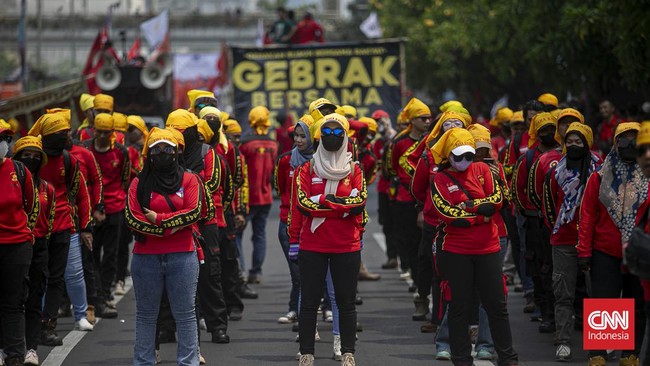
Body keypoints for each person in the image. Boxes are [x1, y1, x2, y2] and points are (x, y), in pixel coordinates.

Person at [429, 127, 518, 366]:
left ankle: (508, 358)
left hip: (488, 249)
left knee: (497, 306)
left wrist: (468, 207)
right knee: (458, 307)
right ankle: (461, 360)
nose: (465, 161)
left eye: (469, 155)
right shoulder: (439, 179)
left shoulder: (484, 169)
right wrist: (480, 214)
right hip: (456, 251)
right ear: (448, 155)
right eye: (459, 156)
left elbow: (497, 200)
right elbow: (449, 215)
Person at [289, 113, 366, 366]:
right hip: (313, 245)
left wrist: (320, 202)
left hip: (347, 245)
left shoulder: (355, 169)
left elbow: (359, 203)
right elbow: (302, 205)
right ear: (319, 137)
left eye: (337, 133)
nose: (332, 137)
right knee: (309, 302)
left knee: (346, 303)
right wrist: (337, 205)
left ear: (345, 136)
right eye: (327, 132)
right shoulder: (306, 169)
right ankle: (307, 353)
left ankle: (347, 352)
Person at [124, 127, 204, 366]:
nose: (162, 153)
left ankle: (188, 362)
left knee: (186, 315)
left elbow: (194, 212)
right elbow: (133, 219)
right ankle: (144, 361)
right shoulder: (138, 183)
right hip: (145, 258)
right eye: (156, 149)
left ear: (176, 152)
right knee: (146, 315)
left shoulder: (190, 179)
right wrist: (172, 227)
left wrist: (159, 221)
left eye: (167, 149)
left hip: (183, 256)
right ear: (148, 153)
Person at [577, 122, 648, 366]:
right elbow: (587, 214)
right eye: (624, 139)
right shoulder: (599, 176)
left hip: (639, 252)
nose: (629, 144)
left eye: (634, 139)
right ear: (615, 143)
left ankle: (631, 353)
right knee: (604, 301)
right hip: (605, 250)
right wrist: (584, 251)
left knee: (636, 301)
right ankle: (598, 353)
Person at [28, 113, 93, 347]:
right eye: (65, 133)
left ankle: (49, 325)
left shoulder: (70, 160)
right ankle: (30, 325)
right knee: (37, 279)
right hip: (35, 231)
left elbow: (81, 193)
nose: (69, 136)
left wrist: (85, 227)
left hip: (64, 227)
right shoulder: (31, 160)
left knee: (59, 278)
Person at [542, 123, 600, 361]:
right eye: (570, 141)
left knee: (600, 293)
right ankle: (563, 341)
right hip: (564, 240)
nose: (574, 145)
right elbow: (547, 206)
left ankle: (605, 344)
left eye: (579, 141)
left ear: (588, 143)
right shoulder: (555, 171)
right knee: (563, 293)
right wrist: (557, 227)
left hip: (597, 242)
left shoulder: (602, 171)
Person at [12, 135, 59, 366]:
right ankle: (8, 348)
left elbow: (49, 222)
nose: (30, 160)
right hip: (12, 247)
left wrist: (39, 244)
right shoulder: (10, 185)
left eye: (34, 157)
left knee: (33, 301)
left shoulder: (48, 189)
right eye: (25, 156)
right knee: (11, 301)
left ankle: (31, 348)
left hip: (38, 247)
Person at [82, 113, 130, 318]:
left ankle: (105, 294)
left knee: (110, 254)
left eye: (106, 132)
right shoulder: (86, 150)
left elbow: (124, 178)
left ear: (113, 132)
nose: (102, 135)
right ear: (93, 130)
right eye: (98, 131)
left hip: (115, 207)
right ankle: (93, 297)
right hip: (91, 210)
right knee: (91, 255)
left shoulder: (120, 152)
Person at [0, 122, 38, 366]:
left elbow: (31, 205)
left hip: (17, 245)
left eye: (5, 138)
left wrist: (26, 233)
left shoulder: (20, 170)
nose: (2, 143)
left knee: (14, 302)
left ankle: (15, 354)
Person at [387, 97, 432, 290]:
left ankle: (427, 280)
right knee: (410, 241)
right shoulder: (399, 142)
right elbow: (391, 168)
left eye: (429, 118)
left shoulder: (432, 140)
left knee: (428, 242)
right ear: (412, 120)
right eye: (423, 118)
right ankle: (416, 279)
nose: (428, 122)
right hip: (405, 199)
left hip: (428, 199)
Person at [275, 114, 314, 324]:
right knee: (297, 273)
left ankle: (321, 309)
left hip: (313, 225)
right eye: (296, 136)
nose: (298, 141)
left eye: (303, 136)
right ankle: (296, 310)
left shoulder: (321, 161)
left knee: (315, 273)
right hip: (287, 224)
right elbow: (280, 187)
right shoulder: (285, 160)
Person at [236, 106, 278, 284]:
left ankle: (241, 272)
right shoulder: (273, 145)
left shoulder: (245, 145)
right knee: (259, 235)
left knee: (237, 234)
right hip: (266, 196)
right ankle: (256, 272)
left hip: (246, 198)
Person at [370, 110, 399, 269]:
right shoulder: (378, 144)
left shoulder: (397, 138)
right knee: (386, 223)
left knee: (399, 223)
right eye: (376, 123)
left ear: (388, 119)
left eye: (381, 121)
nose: (380, 125)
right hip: (383, 188)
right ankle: (392, 257)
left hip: (397, 188)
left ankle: (404, 259)